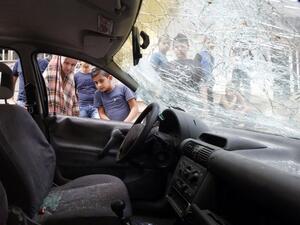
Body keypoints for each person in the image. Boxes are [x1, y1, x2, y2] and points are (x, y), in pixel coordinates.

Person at [161, 33, 208, 101]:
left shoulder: (196, 65)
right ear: (173, 49)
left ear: (188, 47)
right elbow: (161, 87)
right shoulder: (167, 66)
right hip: (171, 105)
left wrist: (204, 109)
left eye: (182, 46)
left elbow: (203, 87)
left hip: (190, 105)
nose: (179, 49)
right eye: (176, 47)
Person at [194, 37, 215, 103]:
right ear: (204, 44)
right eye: (208, 43)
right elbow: (195, 68)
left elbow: (210, 70)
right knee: (202, 102)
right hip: (201, 83)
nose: (210, 45)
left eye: (212, 43)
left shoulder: (212, 57)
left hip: (209, 84)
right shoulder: (199, 55)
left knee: (210, 102)